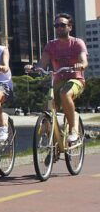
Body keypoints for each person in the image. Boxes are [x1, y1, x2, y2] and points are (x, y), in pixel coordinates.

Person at [25, 13, 88, 143]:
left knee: (65, 93)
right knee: (48, 105)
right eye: (56, 26)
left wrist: (80, 65)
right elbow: (43, 62)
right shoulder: (51, 45)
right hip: (58, 81)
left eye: (62, 25)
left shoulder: (77, 43)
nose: (59, 28)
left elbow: (84, 61)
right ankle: (53, 145)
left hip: (76, 80)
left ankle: (73, 130)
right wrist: (34, 68)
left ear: (70, 27)